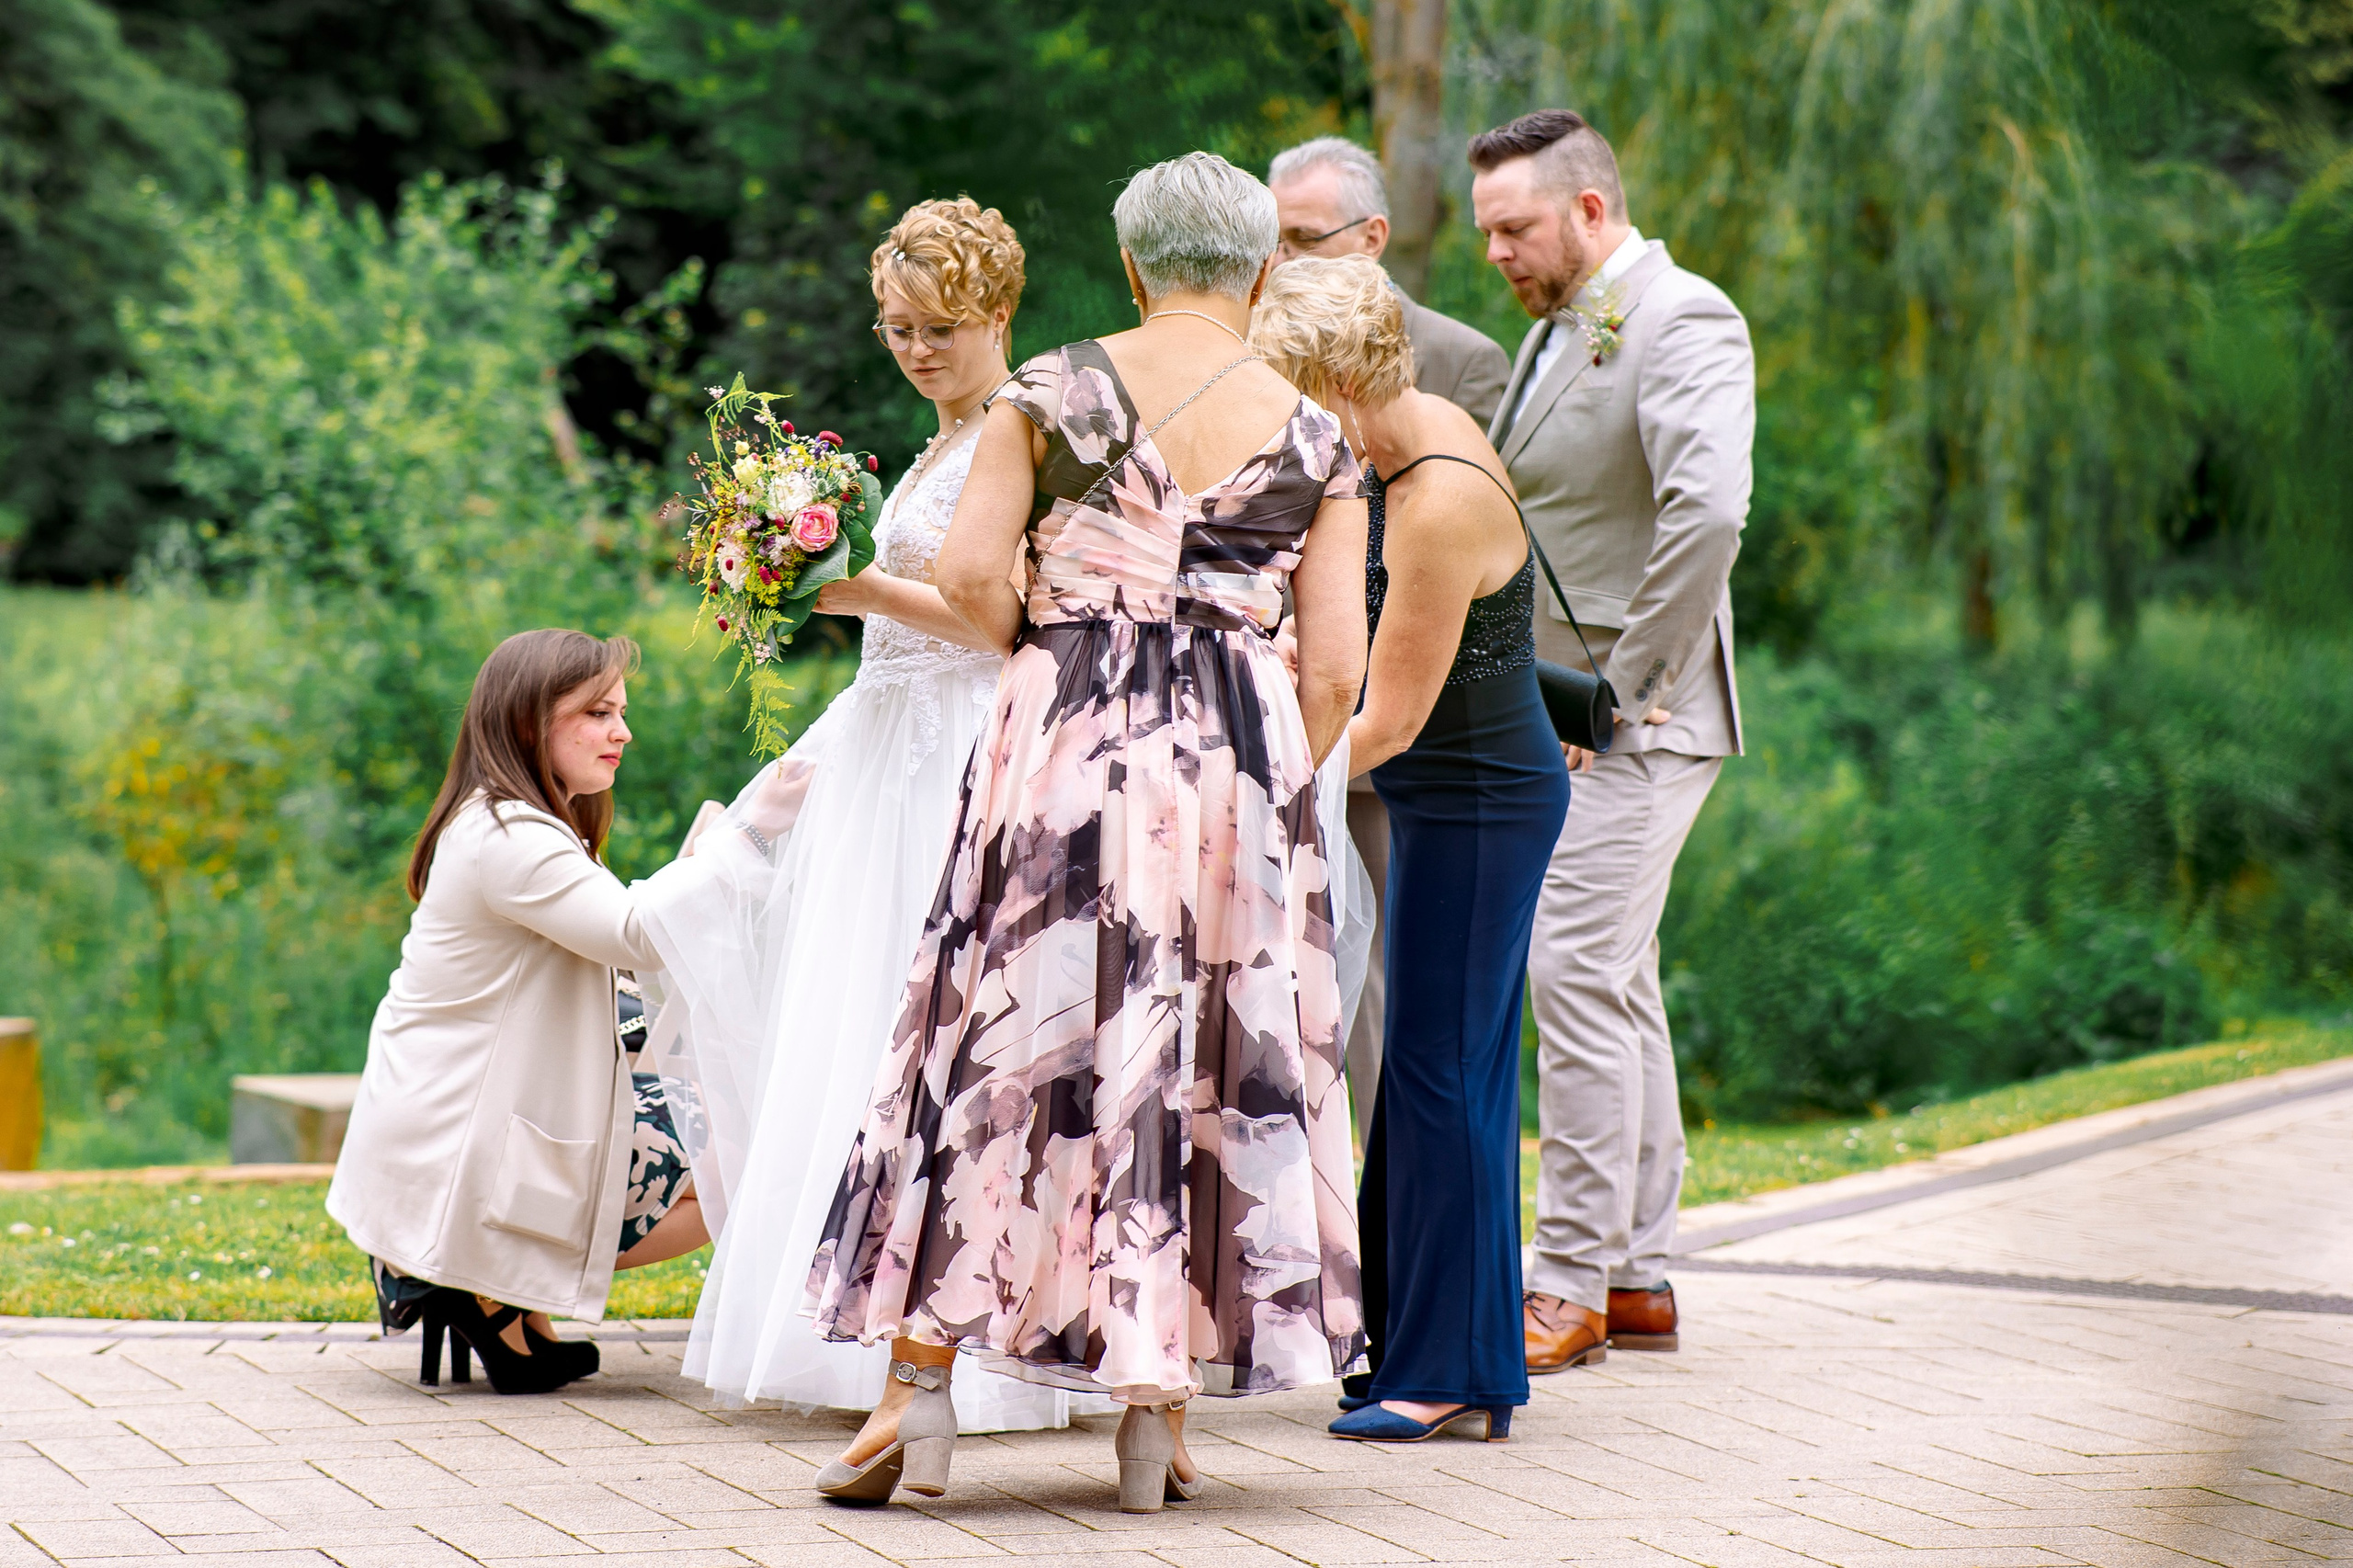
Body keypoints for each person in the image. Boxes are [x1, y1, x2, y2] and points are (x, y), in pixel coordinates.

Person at [801, 151, 1371, 1513]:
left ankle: (919, 1389)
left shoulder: (1047, 390)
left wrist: (1062, 652)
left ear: (1129, 268)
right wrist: (1249, 755)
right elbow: (1337, 665)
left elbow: (966, 575)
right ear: (1263, 271)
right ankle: (1151, 1417)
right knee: (1193, 1055)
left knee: (1001, 1035)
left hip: (1064, 735)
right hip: (1234, 761)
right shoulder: (1322, 437)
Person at [631, 199, 1102, 1432]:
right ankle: (849, 1326)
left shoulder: (1024, 430)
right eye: (897, 326)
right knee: (852, 1011)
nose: (916, 347)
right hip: (882, 744)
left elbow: (1009, 617)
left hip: (956, 752)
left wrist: (848, 589)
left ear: (999, 310)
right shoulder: (943, 438)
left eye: (940, 326)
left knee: (934, 1026)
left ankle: (962, 1341)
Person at [1253, 255, 1568, 1443]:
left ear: (1340, 376)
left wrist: (1263, 774)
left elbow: (1387, 719)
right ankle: (1414, 1341)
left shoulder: (1436, 495)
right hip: (1446, 788)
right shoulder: (1398, 438)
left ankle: (1448, 1370)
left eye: (1296, 390)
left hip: (1481, 799)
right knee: (1438, 1072)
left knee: (1441, 1069)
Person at [327, 630, 804, 1394]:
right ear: (528, 724)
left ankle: (498, 1292)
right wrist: (752, 832)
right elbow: (635, 933)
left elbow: (611, 936)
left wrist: (694, 869)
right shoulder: (510, 835)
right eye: (597, 713)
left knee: (725, 1113)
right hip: (459, 1141)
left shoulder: (515, 825)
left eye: (620, 711)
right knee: (751, 1157)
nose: (622, 731)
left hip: (447, 1116)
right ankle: (482, 1277)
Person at [1469, 109, 1753, 1372]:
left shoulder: (1687, 316)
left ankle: (1567, 1278)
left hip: (1639, 717)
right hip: (1563, 710)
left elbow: (1710, 511)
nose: (1496, 252)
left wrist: (1619, 691)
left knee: (1570, 969)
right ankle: (1635, 1275)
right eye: (1484, 231)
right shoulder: (1547, 332)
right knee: (1616, 976)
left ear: (1590, 211)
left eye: (1515, 226)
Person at [1267, 136, 1513, 1125]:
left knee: (1390, 995)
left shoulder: (1460, 367)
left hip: (1404, 707)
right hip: (1306, 683)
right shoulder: (1268, 346)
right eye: (1270, 242)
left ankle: (1375, 1202)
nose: (1279, 263)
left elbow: (1486, 554)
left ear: (1370, 238)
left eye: (1300, 239)